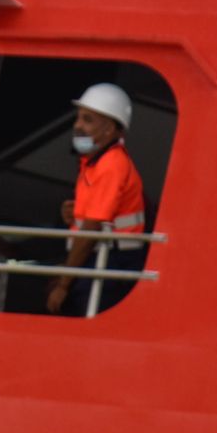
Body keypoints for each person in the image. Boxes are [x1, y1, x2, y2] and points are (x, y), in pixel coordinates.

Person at [46, 83, 147, 315]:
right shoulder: (94, 162)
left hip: (109, 261)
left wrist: (63, 283)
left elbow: (92, 228)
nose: (77, 126)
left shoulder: (111, 165)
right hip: (100, 258)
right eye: (78, 118)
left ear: (110, 129)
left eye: (88, 120)